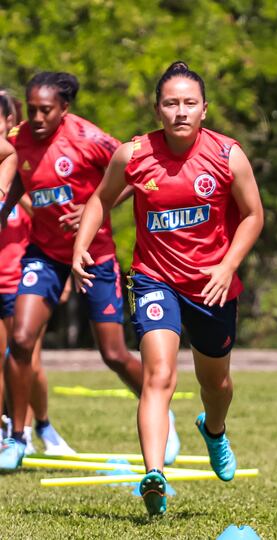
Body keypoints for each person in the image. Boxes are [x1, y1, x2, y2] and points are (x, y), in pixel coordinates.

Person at [72, 61, 264, 516]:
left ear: (204, 109)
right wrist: (80, 245)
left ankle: (213, 430)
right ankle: (153, 474)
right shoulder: (133, 155)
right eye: (171, 103)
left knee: (214, 383)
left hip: (212, 285)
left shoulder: (226, 155)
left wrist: (227, 265)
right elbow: (100, 199)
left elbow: (254, 216)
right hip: (154, 279)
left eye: (190, 103)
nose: (181, 111)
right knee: (158, 376)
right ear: (157, 109)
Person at [0, 71, 180, 469]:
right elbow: (19, 179)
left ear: (65, 109)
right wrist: (6, 206)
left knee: (114, 353)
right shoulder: (20, 139)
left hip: (93, 254)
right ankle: (16, 438)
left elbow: (137, 170)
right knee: (23, 338)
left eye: (46, 110)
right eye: (31, 110)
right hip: (43, 254)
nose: (38, 117)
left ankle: (159, 408)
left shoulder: (88, 138)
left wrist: (96, 206)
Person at [0, 90, 74, 455]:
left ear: (10, 123)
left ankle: (38, 426)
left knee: (26, 356)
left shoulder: (21, 179)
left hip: (21, 279)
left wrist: (66, 274)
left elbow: (50, 225)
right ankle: (12, 431)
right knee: (6, 360)